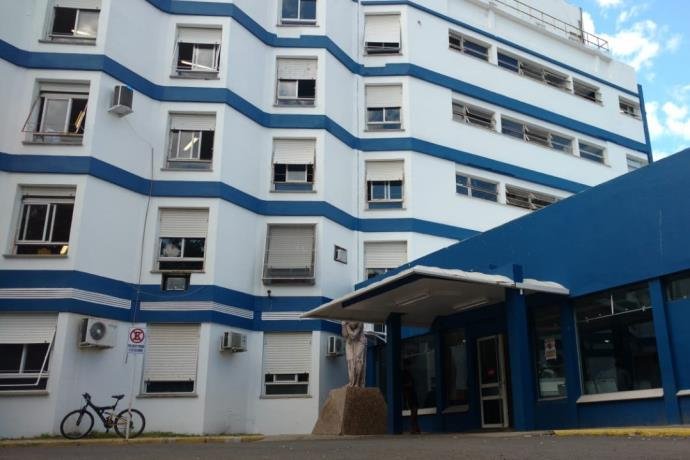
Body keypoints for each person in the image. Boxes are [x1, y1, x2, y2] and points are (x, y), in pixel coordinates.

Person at [342, 321, 366, 387]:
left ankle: (358, 383)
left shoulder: (360, 321)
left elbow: (354, 335)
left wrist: (347, 326)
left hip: (359, 340)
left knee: (358, 361)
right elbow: (345, 335)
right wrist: (343, 325)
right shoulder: (345, 321)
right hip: (350, 342)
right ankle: (351, 382)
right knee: (350, 361)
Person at [402, 358, 421, 434]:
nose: (410, 367)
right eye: (409, 365)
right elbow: (404, 385)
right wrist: (408, 385)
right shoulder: (404, 374)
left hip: (412, 393)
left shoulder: (409, 373)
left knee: (415, 411)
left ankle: (416, 427)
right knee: (414, 411)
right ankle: (413, 428)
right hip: (409, 394)